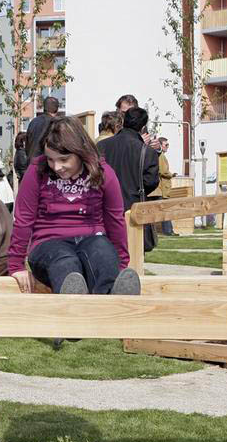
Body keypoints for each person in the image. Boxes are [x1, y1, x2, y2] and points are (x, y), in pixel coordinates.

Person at [11, 115, 141, 297]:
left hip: (92, 238)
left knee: (103, 255)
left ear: (80, 152)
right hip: (48, 243)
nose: (56, 167)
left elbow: (115, 220)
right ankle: (72, 299)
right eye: (50, 159)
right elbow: (23, 218)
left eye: (64, 160)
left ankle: (114, 295)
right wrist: (16, 264)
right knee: (66, 262)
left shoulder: (103, 173)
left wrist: (121, 264)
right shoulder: (36, 171)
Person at [98, 100, 160, 252]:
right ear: (143, 126)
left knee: (106, 254)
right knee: (134, 254)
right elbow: (151, 181)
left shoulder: (102, 146)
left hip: (104, 207)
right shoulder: (147, 152)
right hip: (133, 206)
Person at [25, 95, 64, 160]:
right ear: (57, 109)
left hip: (31, 163)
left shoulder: (33, 122)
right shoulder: (55, 123)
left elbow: (27, 146)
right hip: (44, 163)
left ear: (44, 108)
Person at [154, 137, 177, 235]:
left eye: (168, 145)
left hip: (163, 187)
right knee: (165, 210)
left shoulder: (161, 155)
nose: (167, 147)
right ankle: (168, 231)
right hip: (163, 188)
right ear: (160, 145)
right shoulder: (161, 156)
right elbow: (163, 171)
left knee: (165, 210)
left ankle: (169, 230)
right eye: (166, 145)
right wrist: (171, 175)